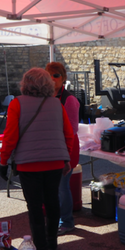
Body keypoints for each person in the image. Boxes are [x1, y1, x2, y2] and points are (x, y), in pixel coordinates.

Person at [0, 68, 73, 250]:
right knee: (52, 200)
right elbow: (68, 135)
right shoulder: (57, 104)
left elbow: (10, 137)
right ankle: (52, 240)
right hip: (55, 161)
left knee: (34, 205)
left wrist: (3, 160)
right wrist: (67, 158)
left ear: (25, 84)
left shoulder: (17, 104)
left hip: (28, 163)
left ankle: (41, 249)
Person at [45, 62, 80, 236]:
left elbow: (72, 130)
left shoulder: (69, 99)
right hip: (51, 147)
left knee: (61, 187)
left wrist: (64, 154)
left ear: (63, 78)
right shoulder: (44, 98)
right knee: (53, 187)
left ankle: (67, 221)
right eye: (49, 75)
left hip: (66, 148)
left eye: (56, 75)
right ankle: (56, 218)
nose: (52, 79)